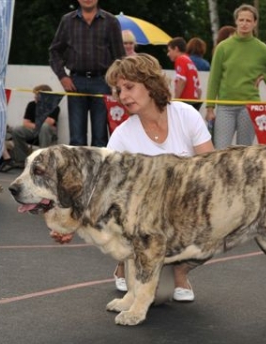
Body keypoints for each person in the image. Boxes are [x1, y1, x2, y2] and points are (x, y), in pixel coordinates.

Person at [105, 53, 214, 300]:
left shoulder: (186, 115)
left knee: (217, 220)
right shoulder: (121, 136)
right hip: (143, 224)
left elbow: (211, 169)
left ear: (151, 84)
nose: (123, 96)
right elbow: (107, 193)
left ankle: (180, 273)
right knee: (159, 297)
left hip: (183, 213)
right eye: (119, 90)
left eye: (129, 87)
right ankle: (124, 262)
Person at [205, 4, 266, 149]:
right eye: (241, 20)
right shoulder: (223, 47)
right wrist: (210, 107)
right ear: (236, 21)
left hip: (250, 107)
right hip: (226, 106)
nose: (244, 24)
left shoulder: (261, 48)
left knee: (244, 152)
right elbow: (214, 78)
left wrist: (265, 77)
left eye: (248, 21)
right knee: (220, 150)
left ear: (255, 23)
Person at [49, 0, 125, 147]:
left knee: (101, 137)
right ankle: (77, 170)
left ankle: (99, 170)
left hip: (103, 82)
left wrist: (117, 84)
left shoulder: (111, 21)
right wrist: (62, 76)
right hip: (76, 82)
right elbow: (54, 51)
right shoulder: (67, 21)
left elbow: (120, 57)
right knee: (76, 138)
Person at [0, 84, 60, 172]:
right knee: (17, 130)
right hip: (33, 130)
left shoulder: (54, 106)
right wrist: (38, 125)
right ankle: (21, 159)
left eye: (37, 95)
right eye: (35, 94)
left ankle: (43, 159)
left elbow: (50, 122)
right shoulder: (31, 105)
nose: (35, 96)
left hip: (48, 132)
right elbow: (26, 123)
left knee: (45, 127)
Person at [167, 37, 202, 110]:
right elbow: (199, 89)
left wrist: (175, 100)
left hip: (185, 102)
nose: (168, 54)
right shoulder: (189, 61)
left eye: (169, 50)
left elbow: (182, 80)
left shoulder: (180, 59)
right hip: (194, 102)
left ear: (176, 49)